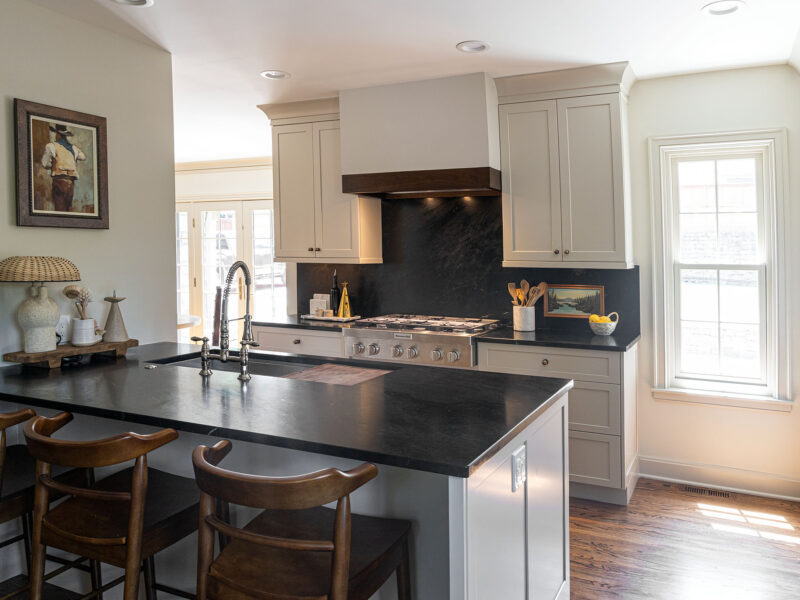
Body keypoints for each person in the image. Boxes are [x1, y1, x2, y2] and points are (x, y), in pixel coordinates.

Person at [40, 123, 86, 212]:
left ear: (57, 134)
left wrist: (54, 164)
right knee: (68, 209)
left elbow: (44, 164)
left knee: (59, 209)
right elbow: (83, 157)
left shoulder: (51, 146)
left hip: (59, 181)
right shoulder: (74, 148)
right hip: (71, 182)